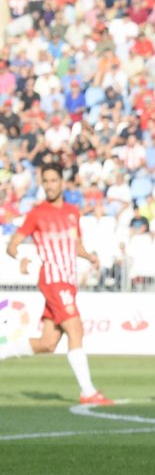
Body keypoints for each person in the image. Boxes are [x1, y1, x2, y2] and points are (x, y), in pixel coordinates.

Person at [0, 163, 113, 405]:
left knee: (48, 343)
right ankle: (88, 391)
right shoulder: (37, 214)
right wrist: (21, 258)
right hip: (53, 280)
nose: (50, 185)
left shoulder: (73, 212)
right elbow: (12, 245)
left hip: (68, 281)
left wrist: (89, 256)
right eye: (46, 181)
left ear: (62, 182)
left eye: (53, 180)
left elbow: (75, 245)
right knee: (75, 329)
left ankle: (3, 350)